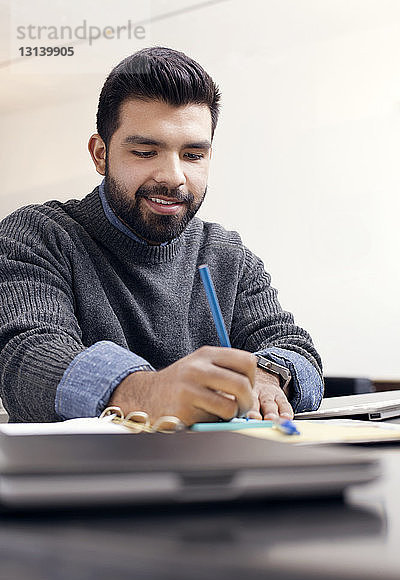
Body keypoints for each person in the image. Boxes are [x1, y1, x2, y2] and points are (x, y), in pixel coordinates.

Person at [0, 46, 323, 424]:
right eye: (145, 152)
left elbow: (297, 351)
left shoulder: (227, 255)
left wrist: (268, 379)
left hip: (213, 477)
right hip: (82, 478)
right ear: (100, 154)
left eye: (193, 155)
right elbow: (26, 357)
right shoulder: (37, 236)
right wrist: (146, 391)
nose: (173, 177)